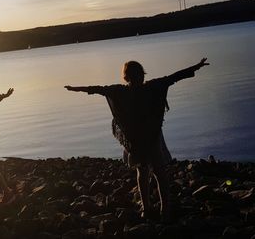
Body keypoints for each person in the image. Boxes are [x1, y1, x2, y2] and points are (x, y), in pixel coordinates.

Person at [65, 58, 209, 220]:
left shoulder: (120, 91)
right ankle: (164, 209)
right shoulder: (152, 86)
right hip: (151, 137)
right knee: (159, 173)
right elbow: (174, 77)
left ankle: (147, 209)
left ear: (126, 77)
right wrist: (196, 67)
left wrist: (75, 88)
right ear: (141, 75)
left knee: (143, 172)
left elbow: (98, 89)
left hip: (135, 141)